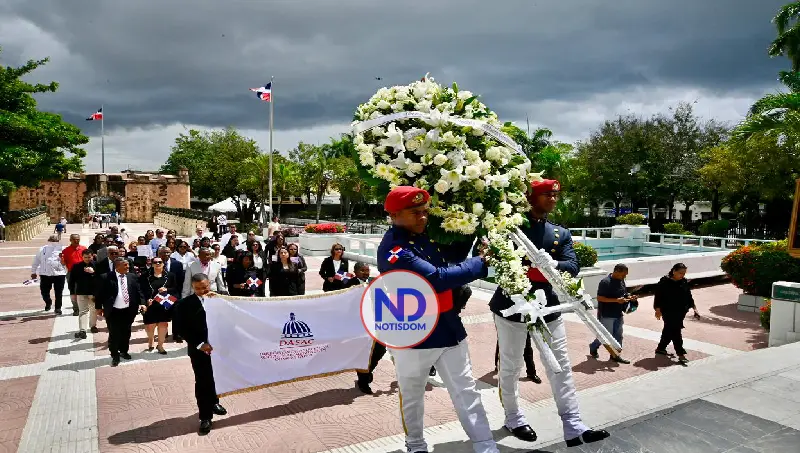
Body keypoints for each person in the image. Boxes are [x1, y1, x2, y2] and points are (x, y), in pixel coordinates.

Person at [489, 179, 609, 447]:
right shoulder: (509, 227)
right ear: (529, 197)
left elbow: (572, 266)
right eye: (546, 195)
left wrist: (551, 263)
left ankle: (573, 424)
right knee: (510, 366)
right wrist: (531, 269)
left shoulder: (559, 233)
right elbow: (489, 258)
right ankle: (514, 418)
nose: (553, 199)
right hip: (512, 306)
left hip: (549, 306)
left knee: (561, 367)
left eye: (555, 195)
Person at [379, 186, 498, 453]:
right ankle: (416, 445)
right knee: (412, 396)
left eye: (424, 211)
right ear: (395, 214)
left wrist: (474, 225)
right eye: (415, 212)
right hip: (413, 332)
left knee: (466, 389)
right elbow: (438, 278)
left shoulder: (424, 237)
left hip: (448, 326)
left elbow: (452, 258)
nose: (423, 217)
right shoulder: (394, 249)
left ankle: (485, 444)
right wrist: (482, 261)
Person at [171, 273, 228, 434]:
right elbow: (181, 329)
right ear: (192, 287)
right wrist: (200, 344)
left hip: (218, 349)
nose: (202, 291)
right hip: (199, 350)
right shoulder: (184, 304)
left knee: (215, 377)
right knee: (203, 381)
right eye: (198, 289)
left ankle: (214, 402)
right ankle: (205, 417)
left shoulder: (219, 299)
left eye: (205, 287)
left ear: (209, 284)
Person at [95, 257, 146, 367]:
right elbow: (99, 294)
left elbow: (138, 291)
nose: (128, 267)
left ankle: (124, 351)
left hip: (129, 310)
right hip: (113, 311)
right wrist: (98, 307)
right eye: (125, 265)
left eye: (128, 265)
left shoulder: (132, 276)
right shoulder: (106, 277)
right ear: (117, 266)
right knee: (114, 333)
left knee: (126, 332)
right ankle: (114, 354)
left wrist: (142, 303)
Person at [345, 262, 383, 394]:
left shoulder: (375, 281)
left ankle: (367, 372)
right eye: (362, 271)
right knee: (363, 353)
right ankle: (363, 380)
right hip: (358, 324)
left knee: (380, 349)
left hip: (374, 323)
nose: (366, 273)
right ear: (355, 272)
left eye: (367, 270)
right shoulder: (349, 284)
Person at [654, 263, 700, 365]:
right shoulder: (664, 281)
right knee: (675, 331)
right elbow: (658, 297)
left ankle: (660, 348)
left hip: (681, 311)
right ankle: (680, 353)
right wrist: (657, 310)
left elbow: (689, 295)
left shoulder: (683, 281)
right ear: (674, 271)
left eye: (684, 273)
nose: (682, 275)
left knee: (668, 330)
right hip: (668, 311)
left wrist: (695, 308)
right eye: (680, 273)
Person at [589, 263, 635, 363]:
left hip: (618, 313)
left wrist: (629, 297)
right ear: (616, 271)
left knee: (618, 335)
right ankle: (593, 346)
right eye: (623, 274)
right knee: (606, 336)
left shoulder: (621, 280)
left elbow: (623, 293)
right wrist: (616, 300)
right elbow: (600, 298)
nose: (624, 277)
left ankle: (615, 356)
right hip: (606, 314)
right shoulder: (605, 282)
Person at [141, 257, 178, 354]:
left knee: (163, 325)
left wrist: (167, 290)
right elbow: (140, 290)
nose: (157, 263)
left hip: (164, 305)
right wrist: (144, 302)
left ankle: (160, 345)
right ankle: (150, 341)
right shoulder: (145, 276)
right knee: (150, 326)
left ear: (163, 264)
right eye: (155, 262)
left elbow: (175, 290)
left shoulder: (170, 275)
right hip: (150, 305)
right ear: (152, 264)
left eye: (160, 262)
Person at [31, 235, 67, 314]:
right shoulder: (42, 249)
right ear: (49, 240)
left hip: (59, 274)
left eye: (56, 240)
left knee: (59, 293)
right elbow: (36, 261)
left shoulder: (63, 249)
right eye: (52, 240)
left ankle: (58, 308)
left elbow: (68, 260)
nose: (54, 242)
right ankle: (48, 302)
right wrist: (33, 272)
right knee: (44, 292)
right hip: (45, 274)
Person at [68, 249, 98, 338]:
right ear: (82, 257)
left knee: (94, 311)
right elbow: (71, 281)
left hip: (94, 293)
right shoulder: (76, 266)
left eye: (89, 257)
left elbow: (102, 278)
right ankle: (82, 330)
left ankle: (93, 326)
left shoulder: (97, 265)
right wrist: (72, 292)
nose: (87, 259)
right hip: (81, 292)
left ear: (92, 256)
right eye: (85, 257)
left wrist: (94, 272)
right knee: (83, 311)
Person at [63, 234, 87, 316]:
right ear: (70, 240)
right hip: (71, 274)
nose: (76, 241)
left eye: (78, 239)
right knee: (73, 291)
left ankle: (84, 308)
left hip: (84, 272)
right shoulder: (66, 251)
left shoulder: (84, 248)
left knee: (84, 290)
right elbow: (63, 263)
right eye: (74, 239)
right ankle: (76, 309)